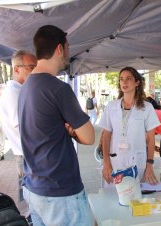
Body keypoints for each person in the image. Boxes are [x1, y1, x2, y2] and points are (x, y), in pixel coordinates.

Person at [18, 25, 95, 226]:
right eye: (68, 48)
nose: (68, 53)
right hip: (60, 192)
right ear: (60, 49)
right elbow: (89, 137)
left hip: (34, 187)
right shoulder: (58, 88)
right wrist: (72, 131)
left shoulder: (26, 87)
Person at [99, 66, 160, 186]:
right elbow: (106, 136)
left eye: (128, 78)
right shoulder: (111, 106)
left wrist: (149, 165)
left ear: (137, 82)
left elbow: (151, 139)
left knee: (135, 197)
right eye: (121, 79)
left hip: (137, 162)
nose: (124, 82)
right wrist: (106, 162)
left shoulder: (147, 108)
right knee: (114, 198)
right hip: (115, 161)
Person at [0, 50, 37, 218]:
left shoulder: (19, 90)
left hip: (26, 153)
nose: (35, 70)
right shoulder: (14, 93)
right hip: (27, 154)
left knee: (32, 199)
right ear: (16, 69)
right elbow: (24, 125)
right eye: (31, 67)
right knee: (33, 203)